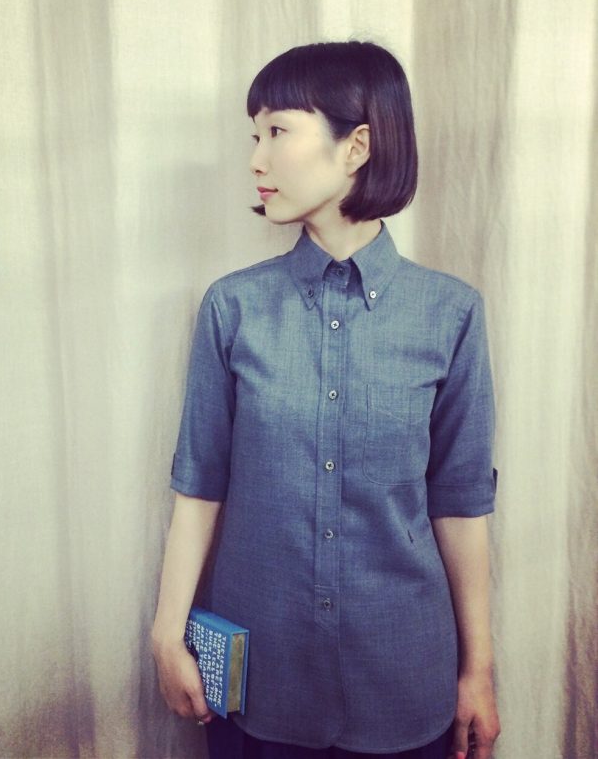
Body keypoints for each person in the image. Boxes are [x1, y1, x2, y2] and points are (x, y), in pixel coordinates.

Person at [152, 41, 500, 759]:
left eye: (277, 131)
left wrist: (479, 672)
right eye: (254, 136)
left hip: (405, 681)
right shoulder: (233, 308)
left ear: (357, 147)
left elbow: (460, 505)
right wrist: (165, 634)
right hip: (263, 686)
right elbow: (200, 483)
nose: (256, 159)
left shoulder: (452, 314)